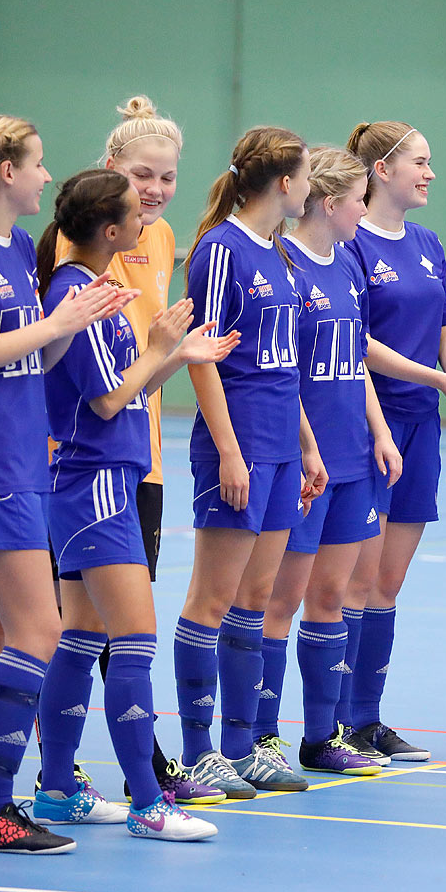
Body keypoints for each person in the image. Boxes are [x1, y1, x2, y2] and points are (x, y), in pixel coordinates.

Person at [0, 114, 132, 853]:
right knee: (40, 630)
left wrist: (75, 320)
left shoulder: (10, 249)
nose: (45, 176)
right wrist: (56, 319)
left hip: (18, 460)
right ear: (6, 171)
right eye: (36, 164)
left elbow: (29, 361)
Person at [48, 96, 221, 807]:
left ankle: (63, 780)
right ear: (111, 172)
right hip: (88, 457)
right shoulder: (75, 257)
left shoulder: (156, 238)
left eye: (168, 178)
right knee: (115, 630)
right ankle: (145, 781)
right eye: (143, 177)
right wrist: (162, 354)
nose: (155, 191)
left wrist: (178, 353)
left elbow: (146, 351)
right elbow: (104, 381)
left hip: (138, 453)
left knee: (93, 629)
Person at [340, 121, 446, 763]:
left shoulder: (429, 243)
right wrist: (434, 374)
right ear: (381, 170)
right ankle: (334, 723)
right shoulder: (350, 242)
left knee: (387, 585)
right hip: (366, 421)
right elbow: (359, 344)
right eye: (420, 162)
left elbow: (445, 321)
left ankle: (369, 719)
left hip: (420, 424)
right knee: (353, 582)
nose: (431, 173)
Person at [172, 127, 323, 798]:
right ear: (285, 183)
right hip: (236, 450)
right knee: (211, 597)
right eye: (309, 176)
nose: (313, 188)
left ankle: (242, 746)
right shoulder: (220, 250)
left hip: (281, 451)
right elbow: (203, 362)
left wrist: (309, 447)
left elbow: (282, 365)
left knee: (256, 600)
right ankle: (197, 751)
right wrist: (230, 453)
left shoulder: (280, 253)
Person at [261, 146, 402, 776]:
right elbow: (283, 373)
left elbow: (357, 357)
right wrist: (306, 446)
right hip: (305, 459)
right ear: (329, 202)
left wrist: (379, 431)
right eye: (358, 201)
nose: (363, 213)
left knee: (334, 595)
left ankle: (322, 736)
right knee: (279, 600)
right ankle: (261, 738)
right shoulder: (285, 264)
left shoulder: (346, 261)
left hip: (352, 456)